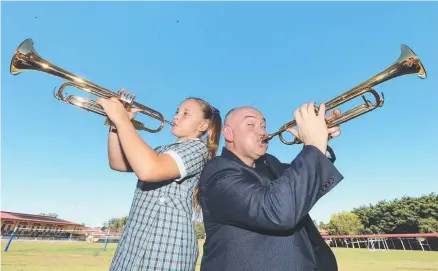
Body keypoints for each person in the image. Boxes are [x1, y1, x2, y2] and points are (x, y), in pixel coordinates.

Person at [198, 102, 344, 271]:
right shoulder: (217, 171)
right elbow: (278, 212)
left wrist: (321, 144)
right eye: (250, 124)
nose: (262, 131)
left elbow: (303, 184)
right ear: (229, 133)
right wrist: (314, 146)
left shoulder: (271, 163)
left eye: (263, 125)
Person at [96, 90, 222, 271]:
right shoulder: (163, 149)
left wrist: (123, 120)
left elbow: (149, 170)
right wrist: (115, 124)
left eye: (185, 113)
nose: (176, 117)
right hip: (135, 241)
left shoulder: (198, 149)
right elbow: (117, 163)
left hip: (165, 246)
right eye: (177, 111)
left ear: (202, 125)